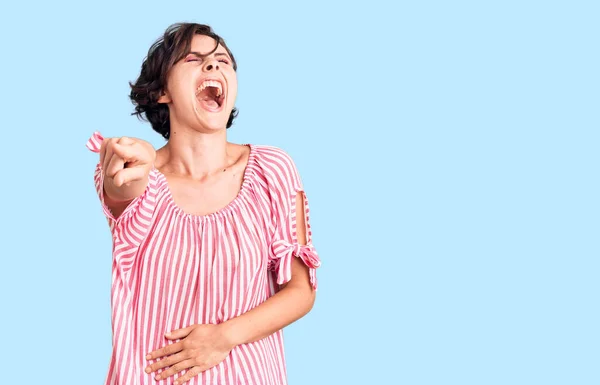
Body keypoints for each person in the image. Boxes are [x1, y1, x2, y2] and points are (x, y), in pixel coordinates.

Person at [85, 22, 321, 385]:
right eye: (195, 59)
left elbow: (301, 290)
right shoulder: (139, 176)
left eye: (223, 60)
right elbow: (121, 193)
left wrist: (222, 337)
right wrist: (134, 163)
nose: (214, 67)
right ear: (163, 91)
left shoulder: (273, 170)